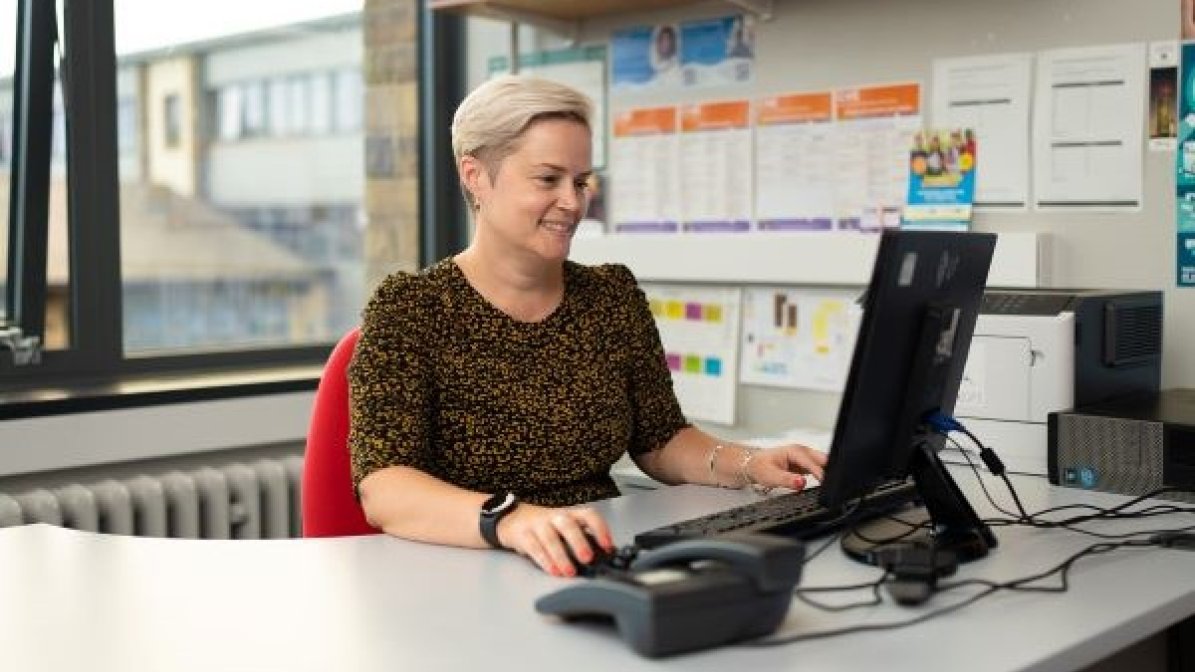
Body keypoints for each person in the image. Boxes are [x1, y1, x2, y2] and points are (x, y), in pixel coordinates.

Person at [349, 75, 826, 578]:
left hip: (599, 552)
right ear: (475, 175)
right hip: (469, 564)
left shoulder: (611, 296)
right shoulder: (409, 309)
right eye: (547, 179)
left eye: (580, 181)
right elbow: (385, 487)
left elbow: (660, 439)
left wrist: (751, 464)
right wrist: (510, 520)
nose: (573, 202)